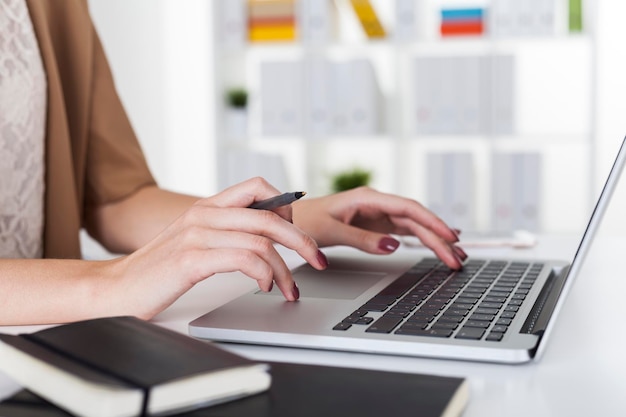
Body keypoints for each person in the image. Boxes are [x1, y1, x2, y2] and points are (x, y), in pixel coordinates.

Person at [0, 0, 467, 326]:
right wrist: (112, 282)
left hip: (42, 340)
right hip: (61, 320)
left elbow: (115, 198)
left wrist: (300, 219)